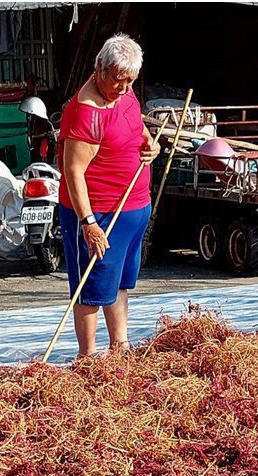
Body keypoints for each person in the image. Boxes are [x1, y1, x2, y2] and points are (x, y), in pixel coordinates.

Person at [56, 33, 160, 356]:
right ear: (99, 69)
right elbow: (73, 171)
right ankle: (87, 356)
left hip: (133, 209)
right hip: (99, 214)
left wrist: (151, 144)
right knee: (91, 288)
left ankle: (120, 345)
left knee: (119, 282)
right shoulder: (86, 113)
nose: (125, 88)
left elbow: (138, 128)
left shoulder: (124, 96)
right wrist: (88, 223)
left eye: (130, 81)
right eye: (118, 80)